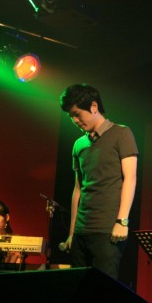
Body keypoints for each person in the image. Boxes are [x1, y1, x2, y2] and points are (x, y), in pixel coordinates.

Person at [59, 83, 138, 280]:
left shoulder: (122, 134)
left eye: (77, 114)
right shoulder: (79, 145)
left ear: (94, 106)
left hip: (107, 230)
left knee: (103, 290)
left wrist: (122, 221)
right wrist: (72, 232)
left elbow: (130, 178)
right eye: (71, 116)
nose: (75, 120)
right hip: (81, 232)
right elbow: (78, 189)